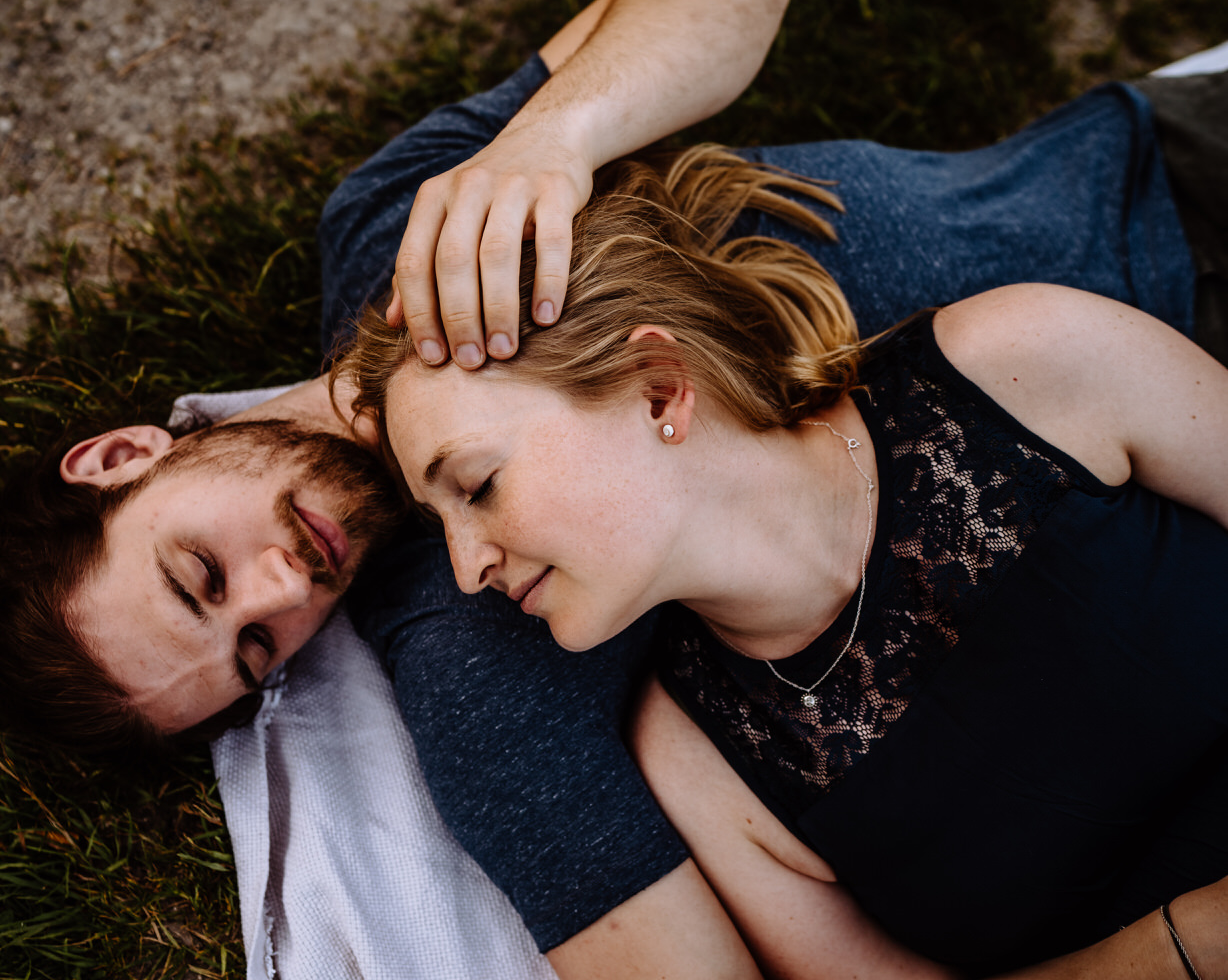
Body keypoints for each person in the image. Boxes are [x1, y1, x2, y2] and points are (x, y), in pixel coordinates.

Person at [0, 0, 1227, 972]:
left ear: (124, 457)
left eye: (200, 572)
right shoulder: (479, 667)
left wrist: (553, 140)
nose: (284, 590)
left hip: (1158, 189)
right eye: (255, 653)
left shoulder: (399, 231)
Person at [339, 127, 1228, 977]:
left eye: (478, 485)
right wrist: (1190, 946)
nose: (466, 570)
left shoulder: (1025, 369)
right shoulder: (698, 767)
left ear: (659, 389)